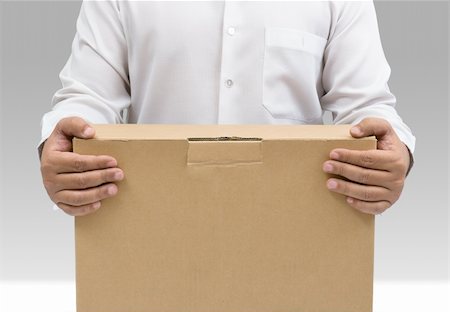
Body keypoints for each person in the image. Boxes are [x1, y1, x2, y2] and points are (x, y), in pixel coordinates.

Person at [39, 1, 415, 217]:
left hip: (296, 239)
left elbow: (366, 106)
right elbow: (88, 96)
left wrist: (396, 153)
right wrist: (61, 145)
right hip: (153, 230)